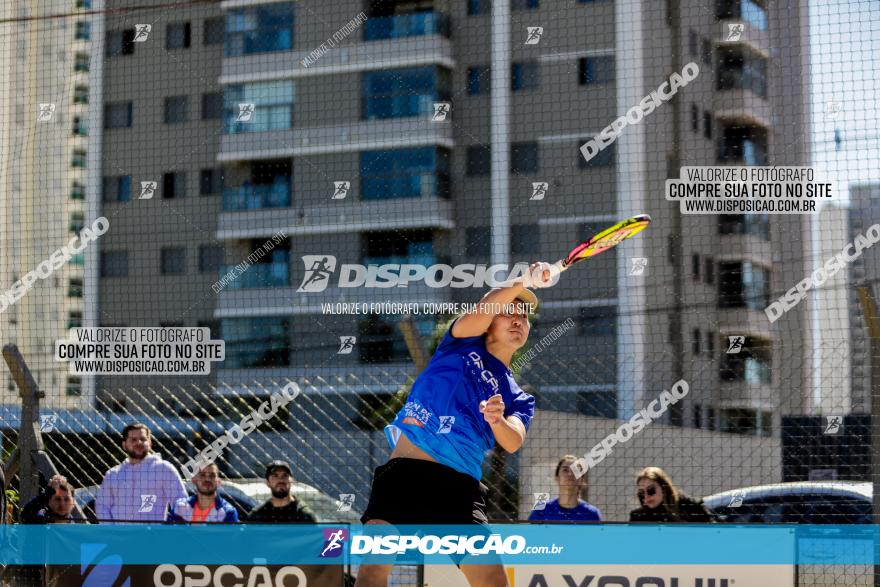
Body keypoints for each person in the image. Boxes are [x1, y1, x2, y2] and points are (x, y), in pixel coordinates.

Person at [356, 263, 555, 587]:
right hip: (405, 473)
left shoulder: (518, 397)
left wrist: (498, 420)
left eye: (525, 317)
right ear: (491, 320)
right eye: (510, 312)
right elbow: (485, 305)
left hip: (458, 489)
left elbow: (513, 440)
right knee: (374, 568)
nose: (519, 319)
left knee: (493, 581)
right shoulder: (461, 342)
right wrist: (523, 280)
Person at [96, 423, 187, 523]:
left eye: (143, 439)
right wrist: (113, 532)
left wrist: (167, 529)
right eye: (133, 440)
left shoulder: (164, 469)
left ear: (150, 443)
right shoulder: (112, 474)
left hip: (151, 536)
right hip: (119, 536)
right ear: (124, 444)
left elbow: (180, 502)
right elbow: (102, 507)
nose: (139, 442)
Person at [528, 455, 602, 522]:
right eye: (565, 470)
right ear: (557, 478)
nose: (570, 474)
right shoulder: (540, 510)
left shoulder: (592, 514)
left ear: (581, 479)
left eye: (575, 470)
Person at [629, 466, 715, 523]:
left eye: (651, 490)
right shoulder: (638, 517)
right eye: (641, 493)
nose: (646, 496)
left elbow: (713, 532)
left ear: (664, 487)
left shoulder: (689, 507)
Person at [246, 460, 317, 523]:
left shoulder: (304, 516)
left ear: (291, 481)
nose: (281, 480)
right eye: (275, 475)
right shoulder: (257, 516)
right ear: (268, 482)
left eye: (285, 475)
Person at [167, 463, 238, 523]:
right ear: (194, 480)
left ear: (218, 482)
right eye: (202, 475)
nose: (207, 479)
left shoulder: (228, 512)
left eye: (212, 476)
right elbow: (169, 536)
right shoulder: (180, 507)